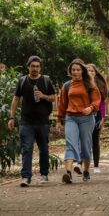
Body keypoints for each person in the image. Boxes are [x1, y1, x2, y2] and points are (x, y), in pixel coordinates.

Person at [8, 56, 56, 187]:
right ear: (28, 67)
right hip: (26, 122)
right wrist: (11, 117)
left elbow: (53, 98)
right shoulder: (22, 81)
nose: (35, 68)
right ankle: (26, 177)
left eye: (37, 66)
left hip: (42, 122)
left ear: (40, 67)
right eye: (32, 66)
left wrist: (43, 96)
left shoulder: (46, 80)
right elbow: (16, 99)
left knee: (44, 150)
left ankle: (44, 174)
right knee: (27, 149)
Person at [57, 58, 101, 184]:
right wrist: (59, 120)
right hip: (71, 117)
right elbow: (62, 104)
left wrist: (91, 107)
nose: (75, 72)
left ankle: (86, 170)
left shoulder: (90, 84)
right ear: (70, 72)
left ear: (82, 71)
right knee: (70, 143)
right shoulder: (67, 85)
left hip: (86, 119)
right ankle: (68, 173)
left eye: (78, 70)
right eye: (73, 70)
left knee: (86, 147)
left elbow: (97, 100)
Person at [86, 63, 108, 174]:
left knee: (95, 140)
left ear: (95, 72)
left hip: (98, 114)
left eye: (92, 71)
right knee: (85, 140)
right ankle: (83, 163)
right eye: (88, 70)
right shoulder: (82, 84)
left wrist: (103, 117)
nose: (90, 72)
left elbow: (103, 102)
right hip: (85, 114)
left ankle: (96, 165)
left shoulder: (100, 84)